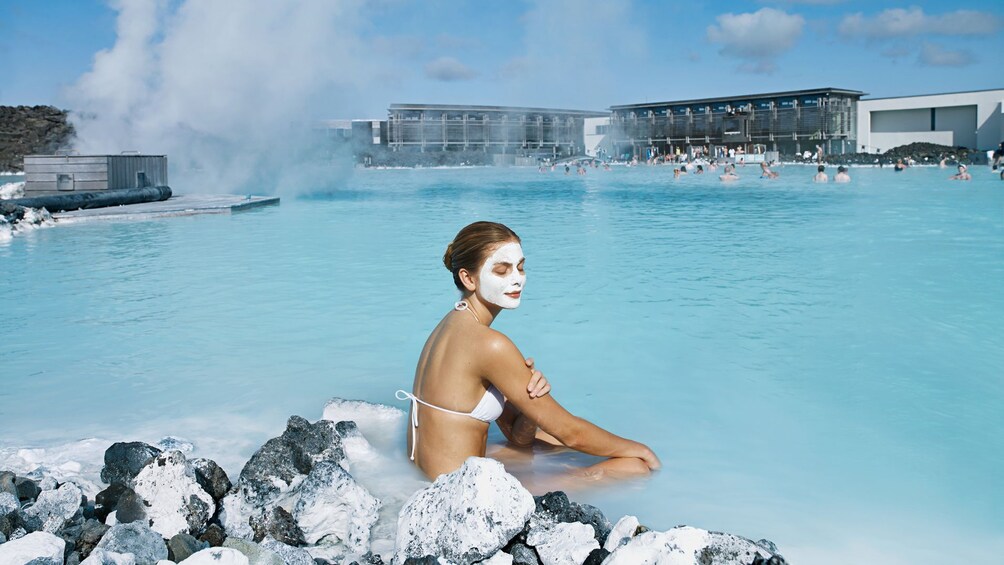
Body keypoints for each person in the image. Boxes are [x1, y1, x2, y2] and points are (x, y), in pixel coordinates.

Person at [398, 222, 661, 482]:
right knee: (634, 466)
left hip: (430, 478)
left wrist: (524, 398)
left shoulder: (449, 326)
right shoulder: (490, 344)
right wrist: (641, 450)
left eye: (520, 267)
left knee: (545, 440)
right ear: (468, 278)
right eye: (501, 270)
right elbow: (571, 433)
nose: (516, 280)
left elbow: (519, 438)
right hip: (458, 495)